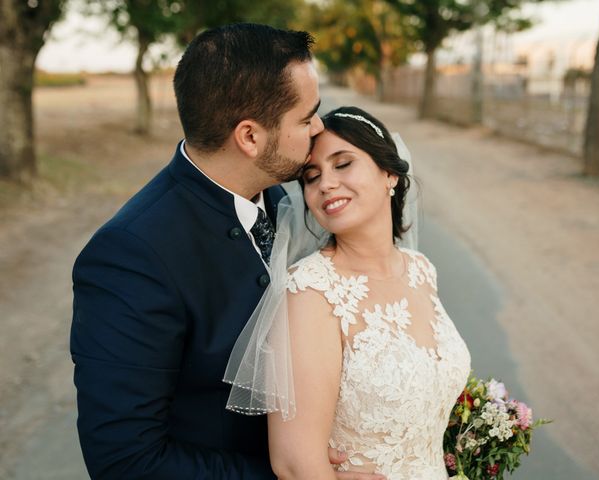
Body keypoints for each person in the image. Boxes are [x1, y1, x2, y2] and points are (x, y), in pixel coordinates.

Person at [71, 24, 381, 480]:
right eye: (306, 117)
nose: (319, 128)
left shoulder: (279, 200)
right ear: (250, 138)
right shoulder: (130, 257)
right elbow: (124, 461)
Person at [224, 106, 472, 479]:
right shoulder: (311, 291)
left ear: (389, 172)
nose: (325, 184)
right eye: (311, 176)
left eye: (343, 164)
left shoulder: (421, 269)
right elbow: (294, 463)